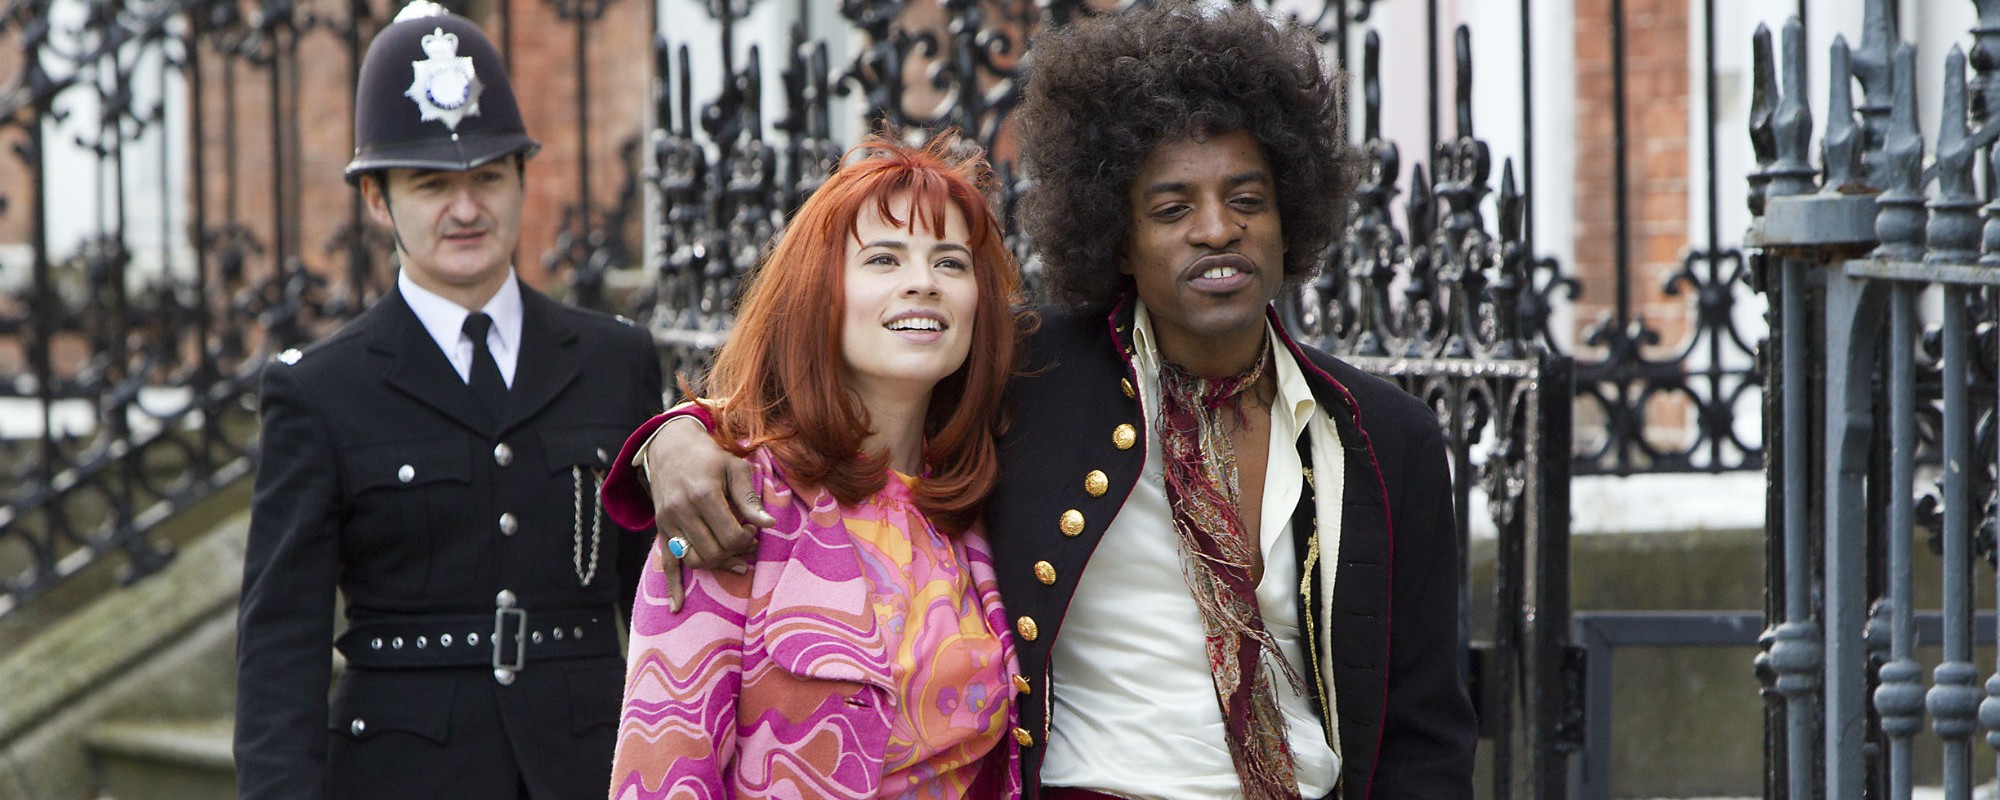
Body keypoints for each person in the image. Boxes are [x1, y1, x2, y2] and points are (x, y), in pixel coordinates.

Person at [601, 4, 1476, 799]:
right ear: (1118, 238)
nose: (1217, 229)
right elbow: (852, 380)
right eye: (1172, 208)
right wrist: (677, 438)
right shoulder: (1034, 374)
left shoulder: (1384, 438)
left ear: (1292, 218)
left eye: (1247, 200)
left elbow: (1426, 729)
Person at [231, 4, 664, 798]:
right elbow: (281, 642)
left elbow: (663, 605)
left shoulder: (616, 361)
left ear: (523, 177)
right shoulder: (320, 391)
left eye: (488, 177)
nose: (466, 210)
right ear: (376, 199)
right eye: (432, 184)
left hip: (589, 769)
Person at [607, 131, 1025, 799]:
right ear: (819, 292)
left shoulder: (989, 495)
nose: (923, 282)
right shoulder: (732, 498)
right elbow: (664, 773)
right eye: (884, 258)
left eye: (950, 262)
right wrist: (676, 435)